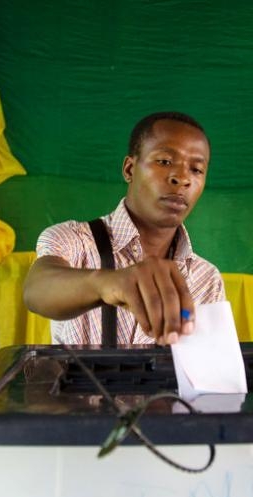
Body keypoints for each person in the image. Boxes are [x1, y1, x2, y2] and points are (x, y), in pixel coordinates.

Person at [23, 111, 225, 346]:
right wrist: (110, 282)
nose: (182, 178)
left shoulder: (207, 279)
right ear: (129, 169)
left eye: (196, 169)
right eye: (164, 161)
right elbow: (37, 290)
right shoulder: (75, 240)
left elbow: (209, 373)